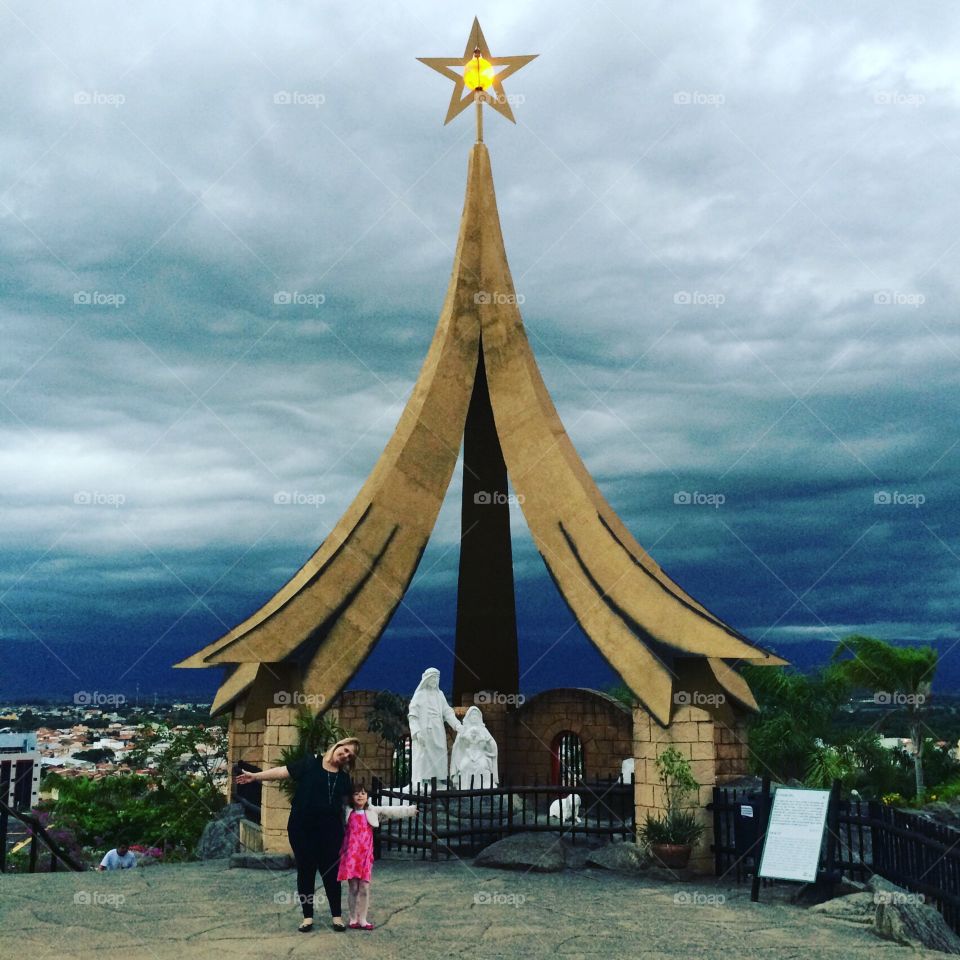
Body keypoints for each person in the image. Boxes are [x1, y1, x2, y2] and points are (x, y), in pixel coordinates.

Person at [235, 736, 360, 932]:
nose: (345, 755)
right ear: (337, 746)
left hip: (330, 830)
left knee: (331, 873)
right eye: (344, 750)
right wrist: (255, 777)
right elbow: (282, 772)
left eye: (349, 755)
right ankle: (307, 917)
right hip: (302, 826)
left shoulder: (344, 779)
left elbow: (354, 806)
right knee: (306, 870)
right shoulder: (310, 763)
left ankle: (336, 916)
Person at [338, 784, 418, 930]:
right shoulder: (347, 812)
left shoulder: (372, 811)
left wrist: (410, 810)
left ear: (367, 796)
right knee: (353, 887)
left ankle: (363, 919)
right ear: (351, 797)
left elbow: (391, 810)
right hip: (351, 856)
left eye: (362, 793)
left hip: (365, 855)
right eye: (356, 794)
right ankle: (353, 918)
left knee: (364, 887)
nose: (360, 796)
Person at [408, 667, 461, 786]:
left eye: (437, 678)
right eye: (433, 678)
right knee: (424, 755)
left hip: (438, 729)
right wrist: (416, 732)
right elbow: (413, 715)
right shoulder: (420, 695)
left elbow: (447, 711)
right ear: (427, 679)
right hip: (425, 729)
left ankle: (438, 780)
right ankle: (423, 781)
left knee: (440, 753)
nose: (435, 681)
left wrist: (457, 725)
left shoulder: (440, 694)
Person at [450, 705, 499, 787]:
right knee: (465, 765)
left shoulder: (483, 729)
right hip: (468, 754)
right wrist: (463, 740)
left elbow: (492, 744)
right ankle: (465, 785)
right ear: (469, 716)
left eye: (476, 715)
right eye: (472, 715)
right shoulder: (463, 729)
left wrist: (488, 742)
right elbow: (457, 746)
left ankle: (484, 784)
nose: (474, 717)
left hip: (481, 755)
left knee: (482, 765)